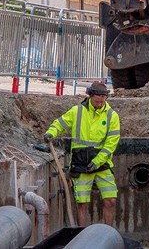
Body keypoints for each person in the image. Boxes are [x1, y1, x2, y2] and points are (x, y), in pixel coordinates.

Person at [43, 81, 120, 227]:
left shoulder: (112, 116)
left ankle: (108, 234)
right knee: (82, 203)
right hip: (80, 164)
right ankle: (82, 236)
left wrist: (97, 161)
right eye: (97, 100)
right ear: (90, 96)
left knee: (111, 200)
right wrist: (50, 133)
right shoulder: (77, 111)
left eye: (103, 100)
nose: (100, 103)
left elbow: (111, 144)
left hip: (102, 165)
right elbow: (60, 123)